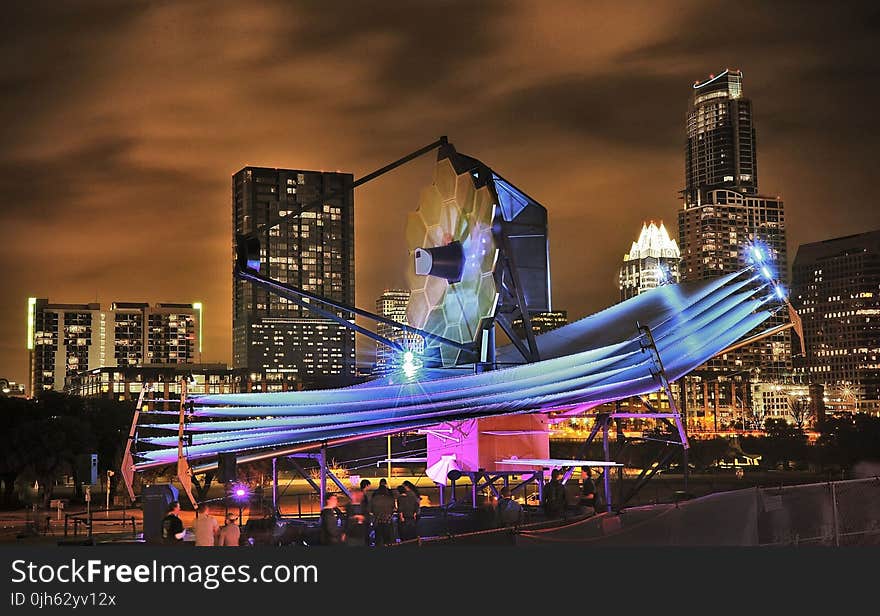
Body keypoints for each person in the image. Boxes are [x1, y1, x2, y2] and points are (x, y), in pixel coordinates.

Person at [370, 481, 395, 547]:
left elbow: (370, 510)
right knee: (388, 541)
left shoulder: (374, 499)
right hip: (387, 522)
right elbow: (393, 509)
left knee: (378, 540)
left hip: (377, 522)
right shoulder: (390, 499)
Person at [359, 479, 373, 545]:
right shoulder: (363, 495)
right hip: (364, 519)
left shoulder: (362, 494)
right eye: (369, 485)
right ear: (366, 485)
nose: (370, 487)